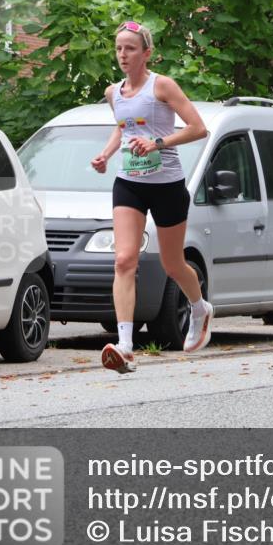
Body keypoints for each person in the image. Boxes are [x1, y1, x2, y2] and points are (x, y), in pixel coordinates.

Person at [90, 21, 211, 373]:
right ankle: (125, 347)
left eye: (130, 48)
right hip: (129, 182)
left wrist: (157, 143)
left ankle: (200, 308)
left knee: (173, 264)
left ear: (146, 53)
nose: (123, 55)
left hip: (167, 184)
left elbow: (198, 129)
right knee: (124, 260)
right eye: (118, 48)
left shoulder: (162, 86)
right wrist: (106, 155)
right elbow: (123, 128)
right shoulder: (113, 93)